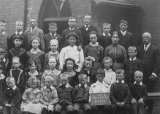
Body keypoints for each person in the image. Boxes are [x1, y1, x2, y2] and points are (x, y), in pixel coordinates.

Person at [137, 32, 160, 113]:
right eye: (144, 37)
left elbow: (158, 63)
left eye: (147, 37)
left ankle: (150, 110)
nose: (145, 39)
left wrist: (154, 74)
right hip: (141, 75)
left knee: (150, 92)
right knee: (141, 92)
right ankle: (141, 110)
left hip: (151, 75)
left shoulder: (155, 49)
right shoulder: (139, 49)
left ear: (150, 39)